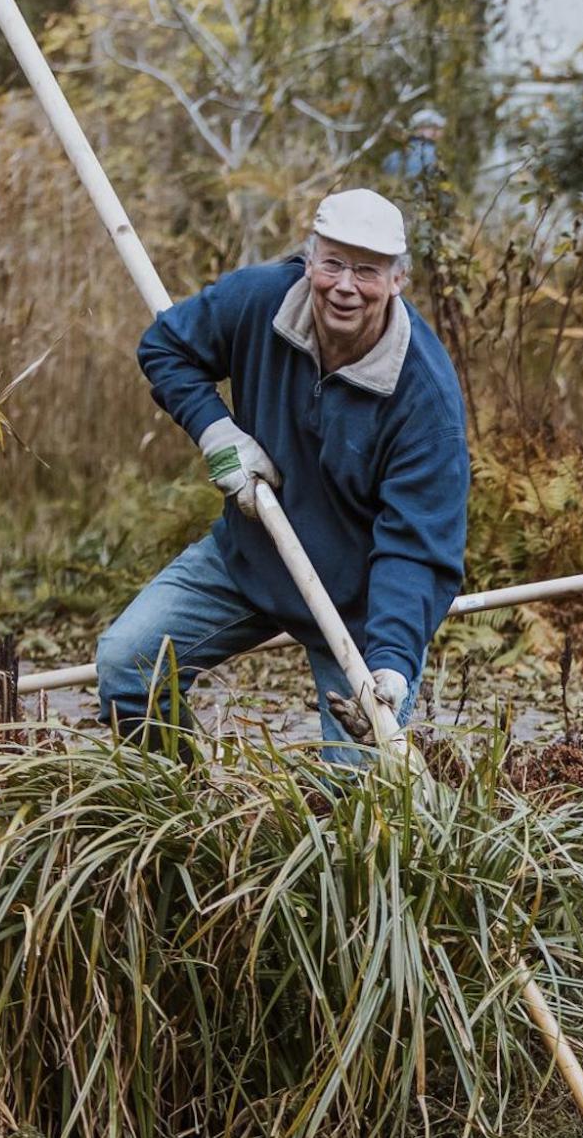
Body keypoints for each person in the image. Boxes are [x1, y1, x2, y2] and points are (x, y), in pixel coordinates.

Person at [96, 188, 470, 765]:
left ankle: (363, 801)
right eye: (333, 263)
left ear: (398, 281)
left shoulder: (424, 400)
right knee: (128, 666)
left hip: (359, 608)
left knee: (355, 801)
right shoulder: (261, 300)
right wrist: (218, 434)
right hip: (252, 555)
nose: (345, 285)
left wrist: (391, 664)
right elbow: (166, 348)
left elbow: (418, 551)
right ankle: (180, 808)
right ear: (310, 259)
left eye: (367, 271)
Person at [382, 108, 446, 183]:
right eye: (436, 128)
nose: (441, 133)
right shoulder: (432, 153)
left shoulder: (394, 156)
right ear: (421, 129)